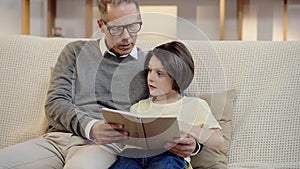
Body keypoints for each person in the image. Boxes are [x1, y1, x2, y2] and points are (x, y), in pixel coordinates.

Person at [0, 0, 200, 168]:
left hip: (105, 145)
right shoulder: (75, 51)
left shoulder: (150, 62)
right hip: (57, 140)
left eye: (133, 26)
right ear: (101, 25)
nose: (126, 37)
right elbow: (55, 103)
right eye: (116, 28)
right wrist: (90, 126)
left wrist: (195, 144)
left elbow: (179, 103)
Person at [109, 41, 224, 169]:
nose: (150, 78)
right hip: (134, 155)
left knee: (164, 164)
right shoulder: (139, 106)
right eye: (150, 70)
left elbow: (218, 141)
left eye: (159, 73)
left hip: (168, 157)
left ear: (177, 77)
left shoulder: (195, 105)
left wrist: (182, 126)